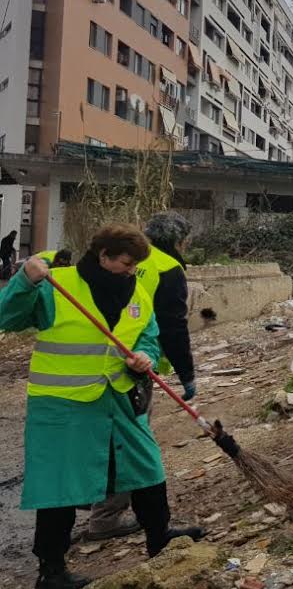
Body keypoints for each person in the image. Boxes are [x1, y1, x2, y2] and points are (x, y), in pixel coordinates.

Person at [0, 224, 202, 589]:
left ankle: (160, 539)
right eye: (125, 263)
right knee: (61, 486)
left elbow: (148, 335)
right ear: (104, 255)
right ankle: (51, 573)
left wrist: (146, 356)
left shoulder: (136, 290)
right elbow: (7, 318)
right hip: (65, 403)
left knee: (146, 468)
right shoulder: (57, 285)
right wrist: (24, 282)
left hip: (118, 397)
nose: (130, 271)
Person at [86, 211, 198, 541]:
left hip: (98, 368)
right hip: (131, 370)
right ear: (178, 240)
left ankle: (110, 514)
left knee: (110, 444)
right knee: (131, 447)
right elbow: (173, 326)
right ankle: (107, 519)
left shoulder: (129, 261)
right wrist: (187, 373)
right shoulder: (167, 267)